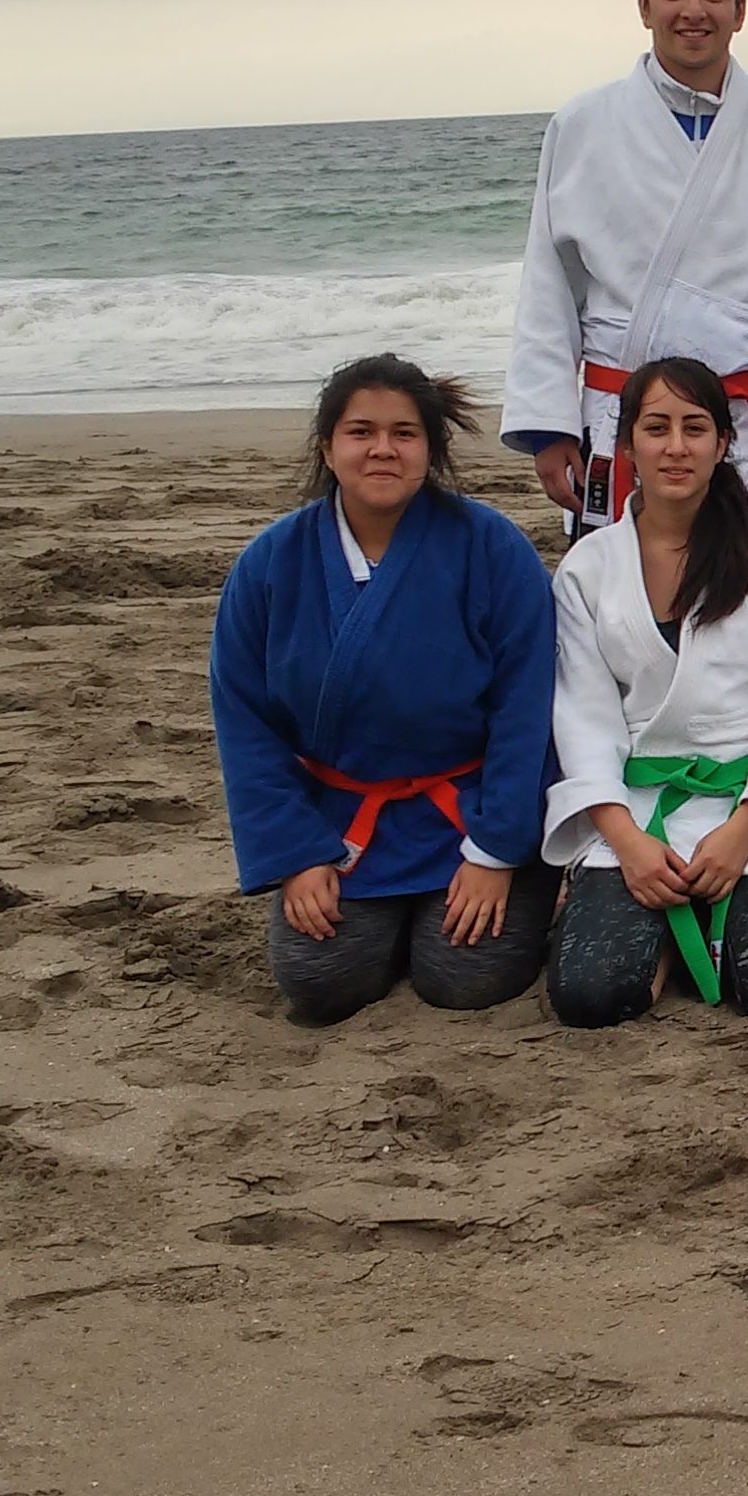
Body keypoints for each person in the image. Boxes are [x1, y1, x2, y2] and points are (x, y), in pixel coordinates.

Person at [209, 355, 557, 1025]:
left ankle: (476, 901)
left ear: (431, 448)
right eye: (360, 432)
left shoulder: (492, 548)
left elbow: (528, 708)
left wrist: (495, 852)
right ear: (328, 447)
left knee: (465, 977)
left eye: (403, 433)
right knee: (321, 980)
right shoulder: (270, 564)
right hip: (341, 827)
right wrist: (298, 855)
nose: (382, 450)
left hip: (470, 812)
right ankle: (385, 920)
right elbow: (246, 725)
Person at [542, 356, 748, 1026]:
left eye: (694, 428)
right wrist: (626, 842)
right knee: (591, 999)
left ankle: (721, 918)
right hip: (640, 804)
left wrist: (743, 831)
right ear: (626, 444)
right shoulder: (588, 569)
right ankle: (666, 938)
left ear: (722, 443)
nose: (675, 447)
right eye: (656, 427)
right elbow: (582, 718)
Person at [505, 0, 748, 530]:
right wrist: (549, 427)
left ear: (740, 9)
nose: (693, 10)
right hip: (623, 418)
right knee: (620, 606)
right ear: (643, 4)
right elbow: (549, 284)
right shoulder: (583, 125)